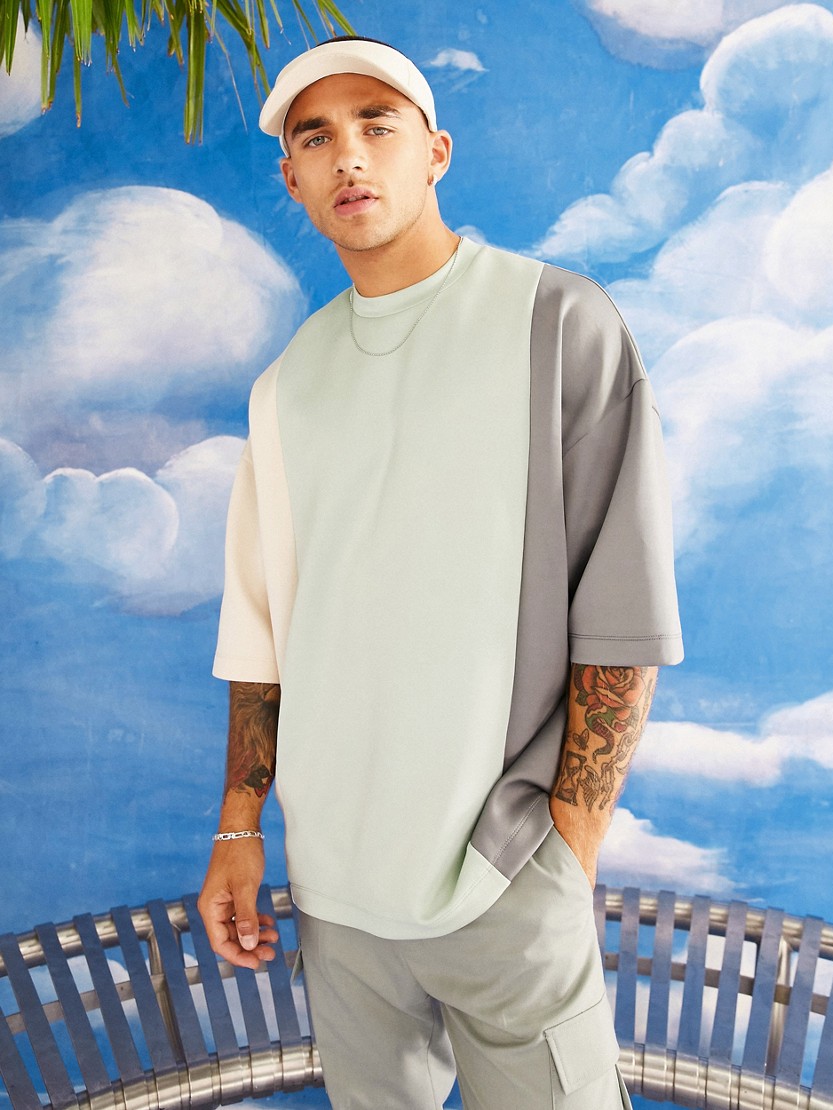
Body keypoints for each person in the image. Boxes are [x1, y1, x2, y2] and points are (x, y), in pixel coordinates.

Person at [198, 35, 683, 1110]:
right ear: (291, 178)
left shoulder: (556, 321)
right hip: (335, 892)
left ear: (436, 152)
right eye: (316, 138)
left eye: (378, 125)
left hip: (505, 876)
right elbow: (263, 630)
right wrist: (240, 826)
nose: (348, 156)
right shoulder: (285, 387)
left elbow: (622, 607)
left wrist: (566, 850)